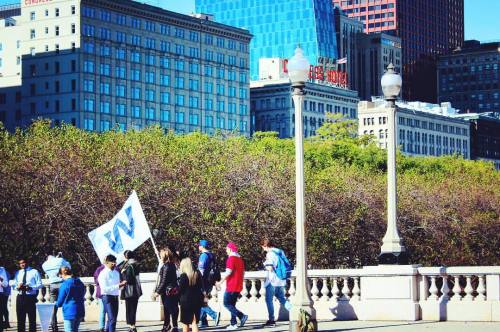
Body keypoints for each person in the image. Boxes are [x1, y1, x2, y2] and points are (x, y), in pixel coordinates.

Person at [260, 239, 292, 326]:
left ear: (265, 246)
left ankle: (271, 320)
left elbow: (270, 268)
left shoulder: (270, 254)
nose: (263, 249)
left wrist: (265, 263)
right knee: (282, 298)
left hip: (272, 280)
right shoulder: (280, 251)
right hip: (281, 280)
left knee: (269, 300)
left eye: (263, 247)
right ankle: (295, 313)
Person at [218, 242, 247, 331]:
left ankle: (242, 316)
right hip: (238, 285)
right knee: (232, 305)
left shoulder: (231, 259)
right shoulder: (240, 259)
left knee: (226, 303)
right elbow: (243, 273)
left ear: (230, 249)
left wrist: (220, 282)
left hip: (232, 285)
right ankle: (233, 324)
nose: (226, 251)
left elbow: (228, 272)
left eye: (226, 249)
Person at [42, 252, 71, 332]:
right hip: (62, 284)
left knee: (52, 308)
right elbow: (68, 267)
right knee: (66, 304)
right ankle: (68, 327)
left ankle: (54, 328)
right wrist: (61, 258)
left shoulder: (44, 265)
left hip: (52, 286)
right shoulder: (60, 260)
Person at [98, 255, 127, 332]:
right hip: (107, 297)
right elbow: (105, 289)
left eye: (115, 262)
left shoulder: (116, 273)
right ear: (107, 263)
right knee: (112, 319)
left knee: (113, 319)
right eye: (112, 263)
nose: (114, 264)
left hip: (115, 296)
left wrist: (122, 286)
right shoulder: (103, 274)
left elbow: (118, 286)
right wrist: (118, 285)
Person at [154, 248, 179, 332]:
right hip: (172, 290)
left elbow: (163, 281)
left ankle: (172, 326)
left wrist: (157, 292)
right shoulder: (171, 265)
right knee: (170, 309)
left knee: (169, 309)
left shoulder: (166, 266)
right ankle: (168, 325)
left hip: (167, 291)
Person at [14, 258, 42, 332]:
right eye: (20, 263)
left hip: (30, 297)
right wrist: (18, 287)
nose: (22, 264)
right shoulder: (18, 273)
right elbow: (14, 285)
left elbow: (40, 284)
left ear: (27, 262)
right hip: (20, 297)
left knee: (32, 318)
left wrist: (31, 288)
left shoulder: (34, 271)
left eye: (23, 262)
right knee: (20, 319)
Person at [197, 240, 220, 328]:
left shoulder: (203, 256)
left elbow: (201, 271)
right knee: (203, 301)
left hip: (203, 282)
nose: (198, 247)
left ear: (202, 246)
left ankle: (214, 315)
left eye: (199, 245)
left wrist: (198, 280)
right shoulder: (211, 255)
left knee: (200, 302)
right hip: (210, 281)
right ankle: (203, 322)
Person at [56, 267, 85, 332]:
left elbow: (60, 301)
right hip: (80, 309)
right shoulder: (80, 283)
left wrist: (56, 305)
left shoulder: (65, 284)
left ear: (62, 274)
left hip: (69, 311)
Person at [178, 258, 204, 332]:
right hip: (197, 300)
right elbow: (201, 286)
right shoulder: (197, 274)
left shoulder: (183, 276)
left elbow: (180, 290)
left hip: (185, 302)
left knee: (185, 323)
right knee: (194, 322)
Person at [120, 251, 142, 332]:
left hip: (129, 291)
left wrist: (123, 273)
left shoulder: (129, 266)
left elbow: (129, 279)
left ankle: (132, 326)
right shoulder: (136, 264)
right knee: (133, 308)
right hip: (135, 290)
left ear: (126, 257)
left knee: (130, 308)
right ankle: (132, 326)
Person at [93, 264, 107, 332]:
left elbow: (96, 281)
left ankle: (102, 327)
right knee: (105, 311)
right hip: (104, 292)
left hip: (101, 292)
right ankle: (103, 327)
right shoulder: (100, 269)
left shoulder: (99, 269)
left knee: (103, 311)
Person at [0, 263, 9, 332]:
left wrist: (1, 279)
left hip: (1, 294)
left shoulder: (2, 270)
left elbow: (6, 284)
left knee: (2, 311)